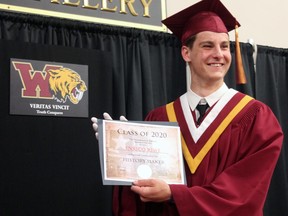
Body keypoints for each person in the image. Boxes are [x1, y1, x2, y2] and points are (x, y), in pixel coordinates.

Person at [91, 0, 283, 215]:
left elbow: (244, 193)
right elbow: (141, 192)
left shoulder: (256, 118)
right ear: (186, 53)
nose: (219, 54)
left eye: (224, 46)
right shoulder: (160, 118)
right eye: (207, 46)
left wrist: (176, 195)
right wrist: (123, 150)